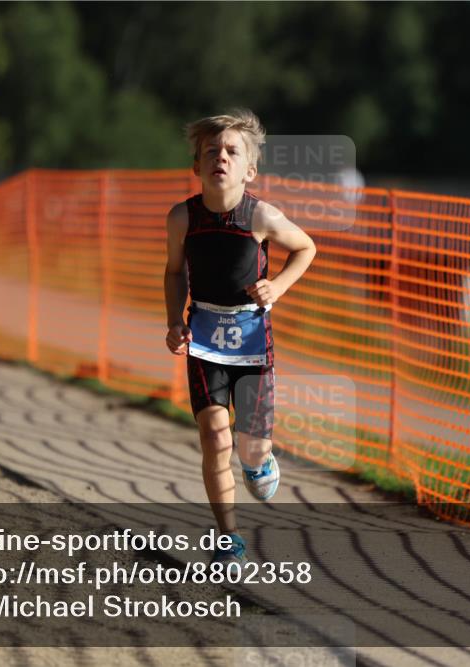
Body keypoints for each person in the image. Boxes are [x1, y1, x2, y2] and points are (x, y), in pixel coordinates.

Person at [163, 109, 316, 564]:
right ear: (196, 166)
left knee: (252, 445)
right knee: (214, 435)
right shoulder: (182, 218)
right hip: (205, 336)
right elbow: (174, 272)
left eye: (232, 151)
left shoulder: (262, 215)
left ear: (250, 170)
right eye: (211, 151)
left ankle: (257, 460)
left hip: (251, 338)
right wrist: (175, 320)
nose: (221, 158)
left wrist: (279, 286)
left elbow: (306, 247)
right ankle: (227, 538)